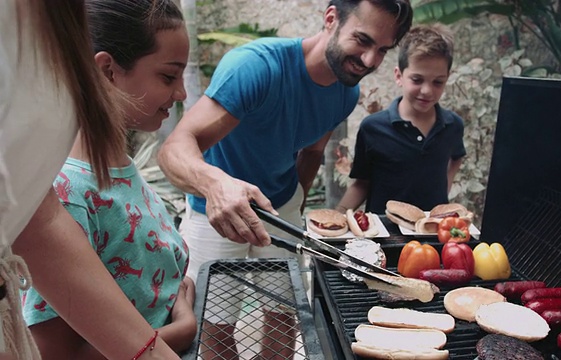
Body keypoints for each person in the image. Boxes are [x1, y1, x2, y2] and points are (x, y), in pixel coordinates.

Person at [157, 0, 412, 358]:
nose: (370, 61)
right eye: (362, 40)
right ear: (330, 19)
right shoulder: (257, 67)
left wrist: (296, 201)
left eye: (382, 50)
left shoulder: (346, 91)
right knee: (213, 327)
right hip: (213, 210)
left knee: (282, 320)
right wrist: (215, 185)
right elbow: (174, 148)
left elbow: (310, 153)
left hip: (280, 206)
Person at [1, 0, 184, 358]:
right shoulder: (73, 190)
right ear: (107, 70)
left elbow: (39, 219)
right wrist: (180, 331)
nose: (181, 94)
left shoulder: (123, 172)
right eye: (168, 76)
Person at [337, 23, 466, 214]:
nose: (427, 91)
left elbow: (457, 157)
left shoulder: (453, 125)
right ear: (399, 76)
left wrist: (442, 190)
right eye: (417, 79)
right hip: (385, 236)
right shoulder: (373, 128)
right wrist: (338, 213)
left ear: (447, 78)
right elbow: (361, 183)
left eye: (438, 82)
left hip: (431, 235)